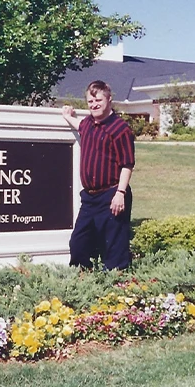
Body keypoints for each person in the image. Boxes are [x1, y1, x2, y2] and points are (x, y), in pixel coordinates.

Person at [61, 80, 135, 270]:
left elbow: (127, 164)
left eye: (98, 100)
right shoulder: (88, 124)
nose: (94, 105)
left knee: (114, 249)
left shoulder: (120, 129)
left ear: (109, 99)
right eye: (90, 101)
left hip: (111, 195)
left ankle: (116, 289)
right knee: (78, 244)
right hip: (90, 198)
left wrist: (121, 193)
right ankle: (84, 283)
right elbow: (79, 125)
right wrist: (67, 116)